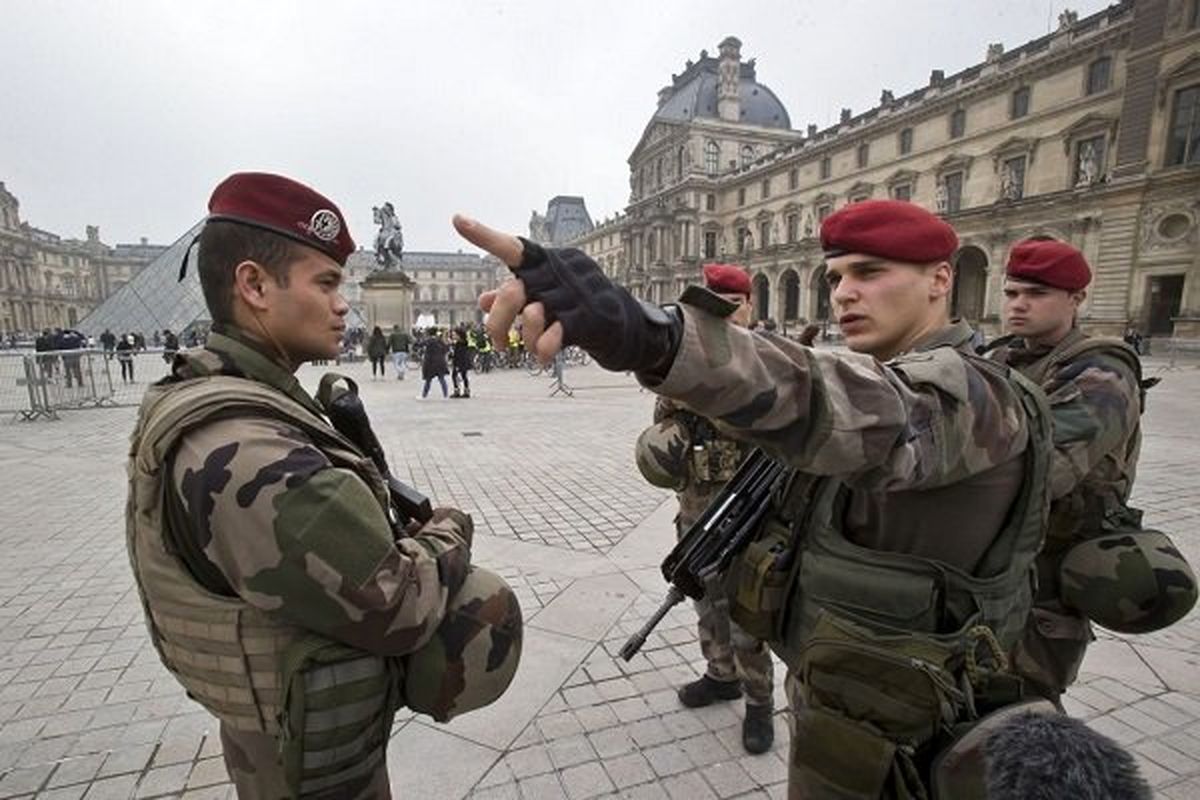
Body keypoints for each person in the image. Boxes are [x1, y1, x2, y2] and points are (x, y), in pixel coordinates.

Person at [456, 200, 1056, 798]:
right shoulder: (889, 374)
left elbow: (849, 405)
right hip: (850, 714)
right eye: (836, 277)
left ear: (941, 279)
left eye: (869, 273)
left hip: (932, 744)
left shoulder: (980, 394)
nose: (844, 293)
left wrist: (648, 335)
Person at [125, 172, 520, 799]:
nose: (345, 303)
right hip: (310, 757)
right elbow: (398, 603)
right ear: (254, 285)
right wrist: (449, 530)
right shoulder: (248, 451)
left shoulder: (223, 395)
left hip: (289, 731)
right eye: (327, 282)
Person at [988, 239, 1195, 704]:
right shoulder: (1000, 358)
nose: (1019, 304)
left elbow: (1044, 472)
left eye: (1037, 294)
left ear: (1077, 299)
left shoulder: (1102, 369)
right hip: (991, 568)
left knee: (1022, 706)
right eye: (1012, 292)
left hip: (1044, 577)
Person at [635, 263, 775, 754]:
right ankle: (720, 675)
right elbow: (665, 420)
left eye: (733, 305)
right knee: (703, 598)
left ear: (750, 305)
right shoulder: (690, 363)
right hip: (696, 505)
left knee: (745, 616)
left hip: (751, 513)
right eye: (714, 307)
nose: (726, 316)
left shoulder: (773, 360)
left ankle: (759, 702)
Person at [420, 326, 449, 398]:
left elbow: (419, 344)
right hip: (440, 362)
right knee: (441, 379)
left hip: (430, 362)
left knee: (428, 380)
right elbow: (446, 349)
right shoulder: (440, 340)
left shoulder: (428, 340)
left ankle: (424, 395)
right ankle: (445, 394)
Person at [450, 326, 472, 398]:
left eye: (455, 335)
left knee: (455, 376)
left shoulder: (461, 344)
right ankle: (466, 391)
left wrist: (457, 365)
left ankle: (458, 391)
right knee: (463, 376)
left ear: (459, 335)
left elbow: (459, 355)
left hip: (460, 363)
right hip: (462, 363)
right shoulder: (462, 343)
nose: (453, 336)